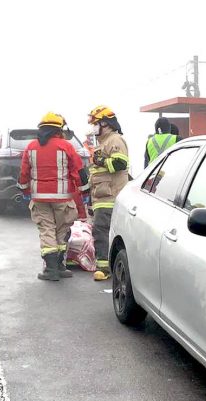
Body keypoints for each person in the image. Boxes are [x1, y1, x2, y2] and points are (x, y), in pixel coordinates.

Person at [18, 112, 86, 281]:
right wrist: (85, 193)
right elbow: (78, 171)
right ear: (59, 129)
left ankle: (51, 269)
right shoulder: (66, 146)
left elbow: (24, 173)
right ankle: (61, 266)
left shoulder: (31, 146)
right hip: (63, 198)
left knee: (47, 230)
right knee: (62, 230)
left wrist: (25, 191)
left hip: (40, 198)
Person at [86, 105, 129, 281]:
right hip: (102, 197)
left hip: (110, 197)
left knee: (101, 231)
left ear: (106, 123)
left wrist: (99, 159)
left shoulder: (114, 140)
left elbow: (120, 163)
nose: (94, 127)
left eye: (96, 123)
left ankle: (104, 268)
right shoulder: (105, 142)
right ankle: (109, 266)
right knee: (103, 232)